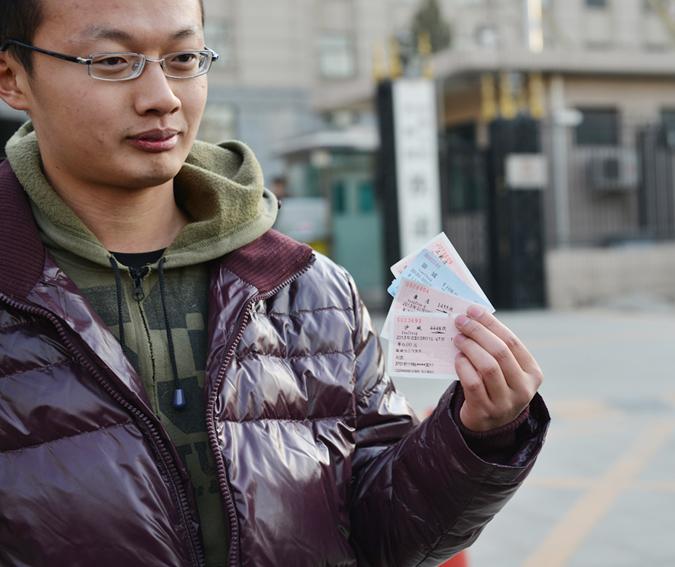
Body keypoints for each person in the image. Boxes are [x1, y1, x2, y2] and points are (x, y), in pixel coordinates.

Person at [0, 1, 550, 566]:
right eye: (113, 61)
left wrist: (475, 437)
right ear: (14, 78)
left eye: (184, 57)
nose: (162, 97)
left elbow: (382, 532)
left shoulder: (311, 291)